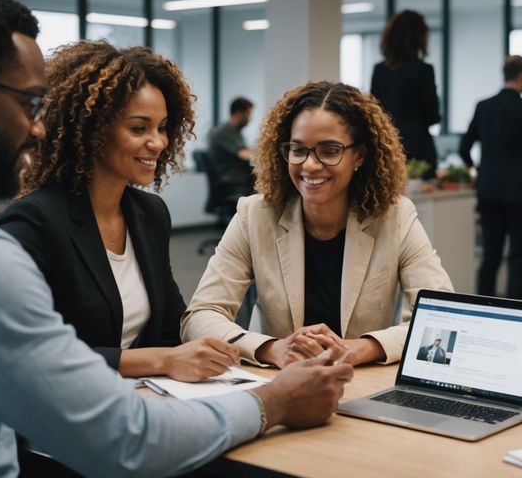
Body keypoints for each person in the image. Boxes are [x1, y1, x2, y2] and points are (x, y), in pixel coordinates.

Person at [0, 0, 352, 475]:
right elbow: (121, 440)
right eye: (30, 103)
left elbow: (170, 331)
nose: (38, 127)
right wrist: (273, 402)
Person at [0, 41, 235, 383]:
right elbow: (27, 350)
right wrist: (160, 361)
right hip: (66, 408)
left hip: (147, 398)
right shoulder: (35, 220)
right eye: (139, 128)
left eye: (162, 127)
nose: (158, 142)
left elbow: (170, 325)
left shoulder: (149, 213)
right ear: (93, 130)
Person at [181, 81, 454, 368]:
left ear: (359, 156)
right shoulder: (254, 215)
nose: (310, 165)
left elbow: (444, 318)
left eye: (329, 150)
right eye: (298, 150)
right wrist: (270, 349)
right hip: (280, 385)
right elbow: (199, 316)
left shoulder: (395, 218)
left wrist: (363, 347)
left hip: (360, 381)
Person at [459, 55, 522, 300]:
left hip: (489, 191)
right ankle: (515, 313)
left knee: (490, 255)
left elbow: (464, 147)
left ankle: (483, 310)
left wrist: (477, 170)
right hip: (521, 194)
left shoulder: (484, 106)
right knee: (518, 259)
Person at [370, 10, 441, 180]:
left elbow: (374, 111)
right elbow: (432, 116)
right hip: (417, 148)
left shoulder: (380, 70)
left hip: (385, 147)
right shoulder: (423, 71)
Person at [208, 96, 256, 198]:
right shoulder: (226, 131)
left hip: (236, 181)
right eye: (248, 114)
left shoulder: (235, 131)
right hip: (231, 183)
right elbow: (244, 154)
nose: (249, 119)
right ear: (239, 113)